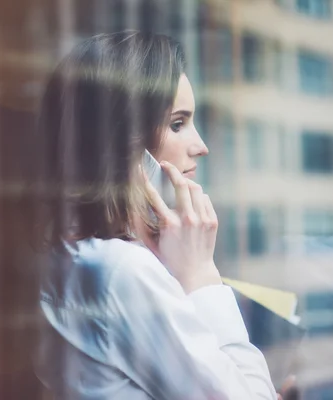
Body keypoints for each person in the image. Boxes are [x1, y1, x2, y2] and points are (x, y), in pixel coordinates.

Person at [32, 30, 277, 399]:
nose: (201, 147)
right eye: (177, 124)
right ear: (121, 143)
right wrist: (201, 276)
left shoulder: (69, 256)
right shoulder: (122, 272)